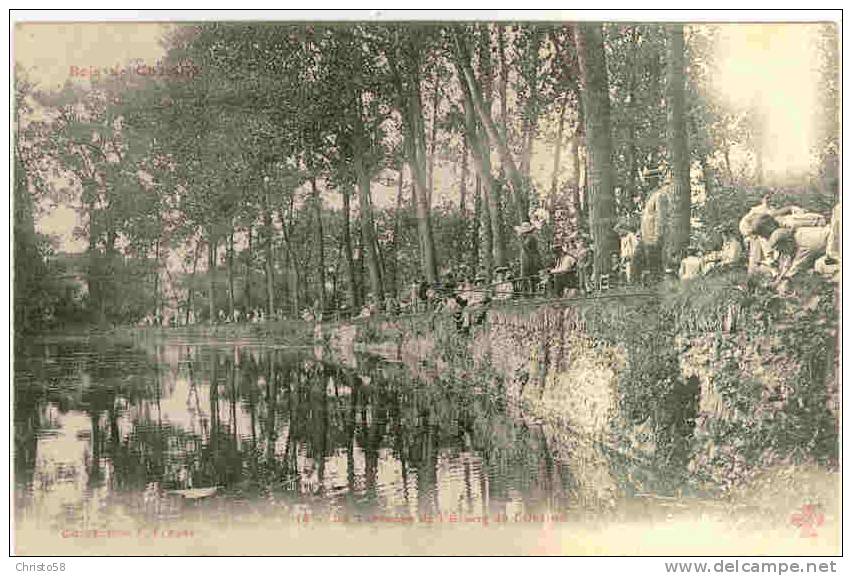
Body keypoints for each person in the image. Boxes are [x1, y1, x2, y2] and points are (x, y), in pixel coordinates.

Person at [766, 225, 831, 283]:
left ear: (788, 243)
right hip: (830, 236)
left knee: (819, 266)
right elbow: (789, 259)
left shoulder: (802, 246)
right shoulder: (795, 236)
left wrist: (778, 282)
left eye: (782, 250)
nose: (783, 253)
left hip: (834, 242)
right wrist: (779, 278)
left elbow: (795, 269)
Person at [640, 169, 673, 279]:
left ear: (655, 181)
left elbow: (661, 218)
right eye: (646, 180)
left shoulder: (660, 195)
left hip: (655, 238)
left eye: (648, 181)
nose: (646, 183)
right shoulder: (650, 197)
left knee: (656, 266)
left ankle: (658, 287)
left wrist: (658, 236)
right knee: (651, 265)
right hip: (648, 237)